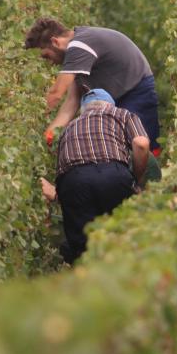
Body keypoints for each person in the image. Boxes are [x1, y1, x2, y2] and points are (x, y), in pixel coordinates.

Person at [40, 88, 150, 265]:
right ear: (110, 104)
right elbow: (141, 143)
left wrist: (58, 195)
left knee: (82, 250)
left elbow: (70, 176)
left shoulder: (69, 128)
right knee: (124, 236)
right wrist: (135, 178)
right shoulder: (122, 114)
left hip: (73, 182)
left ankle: (87, 285)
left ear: (84, 109)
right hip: (113, 175)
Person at [24, 17, 161, 151]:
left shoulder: (79, 45)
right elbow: (71, 102)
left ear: (55, 42)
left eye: (46, 56)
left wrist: (34, 121)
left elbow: (56, 94)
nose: (49, 62)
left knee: (143, 146)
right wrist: (48, 136)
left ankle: (152, 172)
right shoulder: (76, 55)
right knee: (120, 148)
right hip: (115, 95)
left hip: (136, 89)